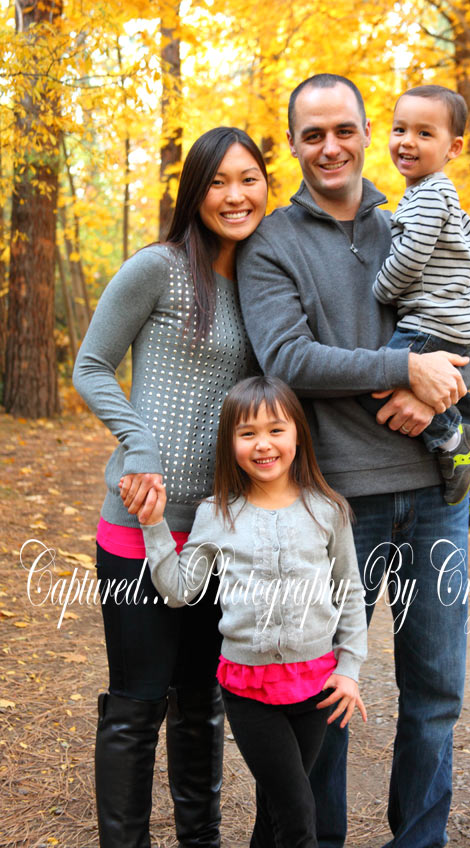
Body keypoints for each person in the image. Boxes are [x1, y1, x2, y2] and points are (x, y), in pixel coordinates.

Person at [236, 74, 470, 848]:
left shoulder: (413, 218)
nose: (331, 147)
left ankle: (419, 841)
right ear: (294, 145)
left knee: (435, 691)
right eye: (312, 134)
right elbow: (288, 359)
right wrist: (404, 368)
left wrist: (434, 390)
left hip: (434, 501)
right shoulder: (272, 244)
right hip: (335, 505)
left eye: (344, 130)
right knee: (322, 691)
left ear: (365, 133)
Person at [72, 127, 268, 848]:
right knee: (137, 703)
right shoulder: (157, 268)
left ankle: (201, 841)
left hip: (220, 530)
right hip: (141, 522)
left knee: (201, 699)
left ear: (266, 187)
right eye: (218, 181)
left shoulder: (264, 283)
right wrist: (140, 445)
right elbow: (91, 365)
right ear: (194, 192)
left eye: (248, 179)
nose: (235, 195)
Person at [139, 375, 368, 848]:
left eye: (276, 430)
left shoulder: (327, 510)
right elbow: (179, 590)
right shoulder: (216, 513)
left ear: (298, 434)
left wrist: (349, 668)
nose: (263, 444)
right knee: (299, 814)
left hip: (317, 686)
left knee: (275, 814)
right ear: (231, 443)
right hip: (249, 687)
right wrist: (154, 525)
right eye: (248, 433)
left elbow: (349, 589)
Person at [359, 84, 470, 521]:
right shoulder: (442, 198)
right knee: (454, 397)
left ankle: (453, 443)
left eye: (425, 133)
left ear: (453, 148)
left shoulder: (427, 195)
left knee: (377, 385)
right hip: (457, 321)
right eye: (400, 129)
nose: (408, 141)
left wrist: (383, 288)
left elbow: (409, 257)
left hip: (430, 322)